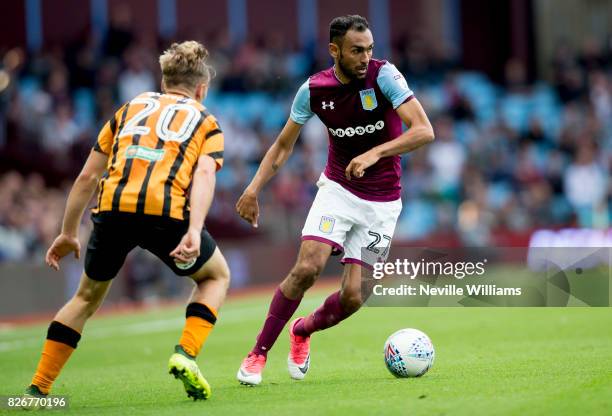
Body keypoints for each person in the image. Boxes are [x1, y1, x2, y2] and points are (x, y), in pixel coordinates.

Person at [23, 41, 229, 405]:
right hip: (167, 212)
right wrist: (195, 229)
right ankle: (186, 352)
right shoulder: (205, 120)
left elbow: (87, 177)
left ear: (164, 80)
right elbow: (205, 176)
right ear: (201, 88)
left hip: (113, 208)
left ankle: (38, 389)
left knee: (85, 298)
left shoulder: (129, 108)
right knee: (215, 276)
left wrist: (68, 232)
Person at [236, 15, 434, 385]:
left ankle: (303, 331)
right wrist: (253, 189)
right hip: (338, 191)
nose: (365, 57)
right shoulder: (313, 90)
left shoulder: (384, 76)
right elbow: (282, 146)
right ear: (334, 51)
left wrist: (375, 153)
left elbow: (423, 130)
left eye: (369, 49)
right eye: (356, 50)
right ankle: (258, 354)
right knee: (307, 268)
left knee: (354, 297)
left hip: (383, 205)